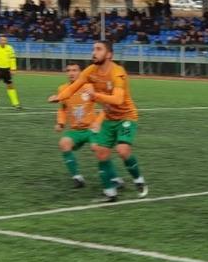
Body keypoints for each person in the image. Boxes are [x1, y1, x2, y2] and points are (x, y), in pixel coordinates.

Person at [49, 40, 147, 202]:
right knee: (101, 153)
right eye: (93, 49)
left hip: (126, 116)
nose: (94, 52)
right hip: (109, 118)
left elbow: (117, 99)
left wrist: (95, 96)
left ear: (109, 55)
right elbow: (72, 88)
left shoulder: (117, 72)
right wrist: (58, 97)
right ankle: (110, 193)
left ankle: (139, 180)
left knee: (122, 150)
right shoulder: (91, 71)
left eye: (99, 49)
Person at [55, 62, 104, 188]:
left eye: (75, 70)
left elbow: (106, 106)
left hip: (91, 129)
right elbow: (63, 108)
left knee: (97, 149)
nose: (71, 73)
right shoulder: (63, 89)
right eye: (69, 70)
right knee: (64, 143)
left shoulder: (89, 87)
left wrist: (98, 123)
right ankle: (77, 177)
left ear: (80, 72)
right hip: (75, 130)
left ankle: (114, 177)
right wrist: (60, 123)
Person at [0, 36, 21, 110]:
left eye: (5, 40)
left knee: (10, 86)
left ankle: (15, 104)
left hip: (7, 70)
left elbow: (12, 59)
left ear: (6, 41)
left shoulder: (10, 48)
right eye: (2, 40)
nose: (3, 41)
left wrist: (13, 69)